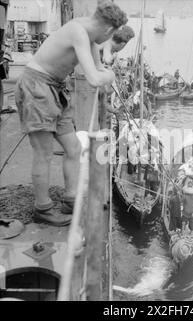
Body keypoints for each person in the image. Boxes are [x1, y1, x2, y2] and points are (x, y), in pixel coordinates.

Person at [15, 1, 128, 226]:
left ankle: (71, 199)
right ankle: (43, 208)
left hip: (56, 88)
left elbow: (98, 71)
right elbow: (97, 79)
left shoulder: (91, 37)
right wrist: (111, 76)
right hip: (36, 87)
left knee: (73, 147)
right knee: (43, 153)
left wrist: (104, 73)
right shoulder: (78, 32)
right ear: (108, 30)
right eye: (112, 35)